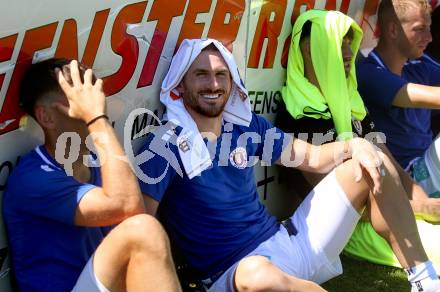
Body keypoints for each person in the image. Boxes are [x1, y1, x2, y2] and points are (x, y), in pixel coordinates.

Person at [136, 38, 440, 292]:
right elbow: (142, 227)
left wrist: (356, 145)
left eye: (221, 74)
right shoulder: (165, 144)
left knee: (372, 160)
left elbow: (311, 157)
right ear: (180, 83)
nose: (213, 83)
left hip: (290, 241)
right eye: (201, 74)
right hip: (235, 274)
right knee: (258, 275)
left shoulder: (244, 126)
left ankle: (425, 280)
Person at [275, 8, 440, 276]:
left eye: (350, 43)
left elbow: (384, 154)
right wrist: (417, 207)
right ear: (309, 49)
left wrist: (420, 197)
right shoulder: (296, 113)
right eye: (340, 43)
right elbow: (342, 201)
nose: (349, 52)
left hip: (385, 211)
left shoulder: (350, 101)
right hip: (347, 229)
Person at [2, 58, 181, 291]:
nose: (97, 102)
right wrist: (97, 119)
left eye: (94, 91)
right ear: (47, 117)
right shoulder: (33, 177)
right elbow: (128, 207)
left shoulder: (96, 163)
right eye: (79, 96)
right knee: (144, 230)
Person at [356, 0, 440, 199]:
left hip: (429, 168)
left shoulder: (419, 65)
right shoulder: (368, 73)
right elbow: (412, 95)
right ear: (393, 30)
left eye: (429, 29)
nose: (429, 38)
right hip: (405, 179)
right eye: (420, 29)